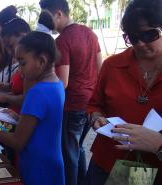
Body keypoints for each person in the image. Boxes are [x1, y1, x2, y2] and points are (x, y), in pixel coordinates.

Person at [86, 0, 162, 184]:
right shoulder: (112, 65)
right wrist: (96, 118)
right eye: (133, 38)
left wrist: (158, 144)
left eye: (149, 34)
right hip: (106, 163)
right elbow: (94, 105)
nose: (141, 44)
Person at [0, 31, 65, 185]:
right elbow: (42, 122)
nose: (20, 71)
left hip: (37, 166)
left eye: (22, 63)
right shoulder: (57, 84)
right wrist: (17, 118)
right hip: (51, 161)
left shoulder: (37, 92)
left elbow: (18, 142)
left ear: (41, 61)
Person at [39, 0, 102, 184]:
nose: (45, 20)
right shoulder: (90, 33)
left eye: (46, 16)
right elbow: (101, 70)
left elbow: (62, 82)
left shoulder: (63, 40)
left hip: (72, 104)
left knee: (69, 154)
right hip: (89, 103)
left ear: (58, 14)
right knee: (78, 148)